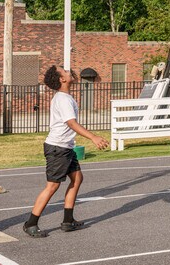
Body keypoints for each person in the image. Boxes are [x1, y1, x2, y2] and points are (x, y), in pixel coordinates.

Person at [23, 65, 109, 238]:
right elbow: (71, 123)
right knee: (52, 186)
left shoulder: (66, 97)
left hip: (66, 147)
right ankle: (30, 223)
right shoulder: (62, 99)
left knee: (77, 179)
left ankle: (68, 221)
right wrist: (93, 137)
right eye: (66, 72)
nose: (70, 72)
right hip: (57, 147)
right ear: (62, 79)